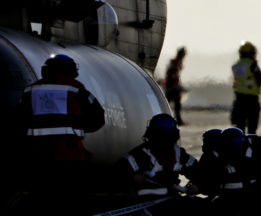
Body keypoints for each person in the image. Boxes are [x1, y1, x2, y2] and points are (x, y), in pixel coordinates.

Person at [11, 53, 105, 210]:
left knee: (41, 199)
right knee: (70, 199)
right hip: (70, 155)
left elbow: (18, 121)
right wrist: (80, 130)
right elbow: (98, 117)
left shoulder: (30, 91)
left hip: (38, 156)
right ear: (71, 70)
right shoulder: (75, 88)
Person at [118, 113, 206, 215]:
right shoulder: (138, 155)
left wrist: (196, 185)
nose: (163, 143)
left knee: (202, 206)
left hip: (171, 200)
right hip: (144, 203)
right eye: (160, 138)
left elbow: (198, 172)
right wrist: (133, 177)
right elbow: (118, 173)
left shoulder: (178, 154)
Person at [195, 127, 261, 216]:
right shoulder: (211, 155)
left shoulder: (257, 143)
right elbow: (203, 179)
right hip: (229, 195)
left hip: (257, 188)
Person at [231, 41, 261, 134]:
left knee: (240, 123)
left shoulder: (236, 65)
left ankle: (240, 141)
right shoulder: (252, 64)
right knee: (252, 124)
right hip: (251, 97)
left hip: (239, 97)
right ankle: (250, 142)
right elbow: (259, 79)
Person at [164, 46, 188, 125]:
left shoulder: (177, 63)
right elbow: (171, 75)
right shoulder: (175, 63)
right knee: (169, 104)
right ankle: (175, 120)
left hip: (172, 86)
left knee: (174, 104)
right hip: (171, 87)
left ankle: (177, 120)